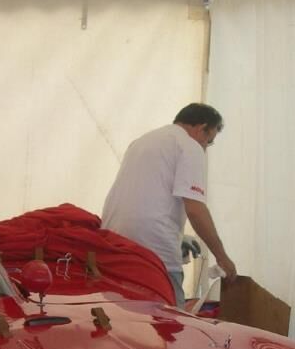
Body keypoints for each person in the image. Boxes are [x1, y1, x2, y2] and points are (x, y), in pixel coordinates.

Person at [101, 103, 237, 307]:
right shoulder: (190, 146)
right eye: (208, 141)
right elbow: (195, 210)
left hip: (113, 241)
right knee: (171, 320)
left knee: (124, 316)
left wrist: (180, 237)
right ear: (202, 128)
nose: (205, 148)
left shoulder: (141, 141)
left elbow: (145, 196)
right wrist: (222, 257)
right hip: (155, 251)